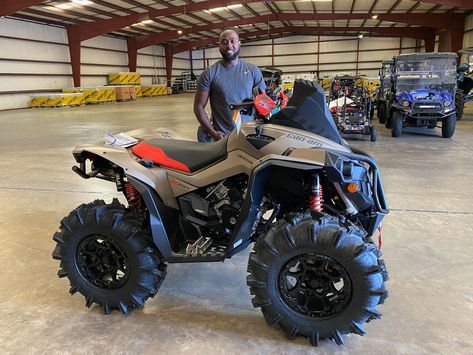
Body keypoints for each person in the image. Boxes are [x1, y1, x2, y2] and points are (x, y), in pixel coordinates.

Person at [194, 28, 266, 141]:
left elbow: (264, 103)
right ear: (219, 45)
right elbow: (198, 106)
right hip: (223, 138)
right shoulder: (209, 73)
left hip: (249, 135)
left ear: (239, 43)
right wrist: (212, 133)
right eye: (224, 42)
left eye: (233, 41)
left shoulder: (252, 70)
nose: (229, 45)